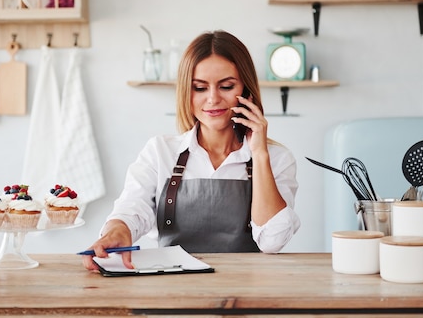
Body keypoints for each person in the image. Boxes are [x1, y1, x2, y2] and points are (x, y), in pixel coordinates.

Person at [83, 30, 300, 270]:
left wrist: (259, 154)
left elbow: (273, 242)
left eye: (226, 86)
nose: (213, 98)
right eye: (199, 88)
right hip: (173, 293)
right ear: (186, 91)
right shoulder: (159, 151)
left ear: (246, 89)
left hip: (247, 295)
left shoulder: (277, 159)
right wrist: (117, 231)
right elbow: (131, 210)